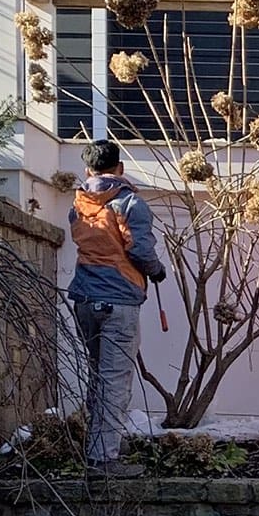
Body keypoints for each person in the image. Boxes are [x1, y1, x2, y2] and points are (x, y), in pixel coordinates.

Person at [69, 139, 167, 478]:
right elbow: (140, 250)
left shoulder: (79, 205)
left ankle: (101, 442)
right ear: (120, 168)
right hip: (119, 301)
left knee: (98, 375)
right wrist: (157, 270)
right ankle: (103, 459)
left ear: (87, 170)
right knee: (115, 380)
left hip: (84, 300)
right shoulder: (129, 203)